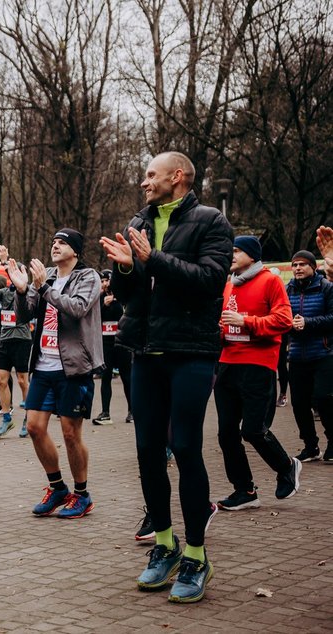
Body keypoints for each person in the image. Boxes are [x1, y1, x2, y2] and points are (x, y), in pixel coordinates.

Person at [101, 151, 232, 603]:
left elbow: (210, 280)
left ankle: (196, 555)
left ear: (177, 177)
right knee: (146, 451)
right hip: (145, 352)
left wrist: (152, 259)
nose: (144, 182)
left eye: (151, 175)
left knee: (187, 448)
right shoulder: (139, 221)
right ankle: (164, 545)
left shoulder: (211, 221)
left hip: (190, 352)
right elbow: (130, 297)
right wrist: (124, 269)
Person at [9, 228, 102, 519]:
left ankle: (82, 494)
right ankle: (57, 487)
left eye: (62, 243)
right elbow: (25, 315)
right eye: (53, 242)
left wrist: (45, 287)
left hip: (73, 368)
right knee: (35, 427)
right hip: (43, 366)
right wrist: (23, 290)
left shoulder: (88, 277)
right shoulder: (46, 274)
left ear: (75, 250)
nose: (55, 246)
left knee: (70, 434)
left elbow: (77, 308)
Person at [214, 236, 299, 510]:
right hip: (227, 364)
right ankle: (245, 490)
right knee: (226, 433)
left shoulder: (270, 280)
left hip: (258, 365)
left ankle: (287, 467)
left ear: (252, 254)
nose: (232, 255)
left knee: (252, 430)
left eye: (237, 251)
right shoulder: (229, 285)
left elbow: (284, 320)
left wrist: (245, 322)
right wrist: (220, 332)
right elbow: (226, 323)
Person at [285, 249, 333, 462]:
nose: (297, 268)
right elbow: (279, 316)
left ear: (313, 267)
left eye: (302, 264)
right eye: (294, 265)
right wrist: (289, 325)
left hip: (323, 353)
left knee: (324, 399)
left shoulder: (326, 288)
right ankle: (310, 446)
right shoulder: (287, 290)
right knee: (299, 403)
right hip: (296, 355)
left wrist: (308, 323)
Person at [0, 249, 32, 438]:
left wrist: (9, 262)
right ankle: (6, 418)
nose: (13, 276)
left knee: (22, 381)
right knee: (1, 379)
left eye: (16, 272)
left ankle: (29, 418)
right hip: (5, 340)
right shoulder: (4, 292)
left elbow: (24, 295)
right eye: (11, 273)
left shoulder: (26, 291)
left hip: (22, 340)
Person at [93, 270, 132, 424]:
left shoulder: (122, 297)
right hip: (106, 343)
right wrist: (104, 305)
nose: (104, 284)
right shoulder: (99, 298)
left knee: (127, 377)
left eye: (106, 280)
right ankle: (105, 412)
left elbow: (125, 316)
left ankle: (131, 411)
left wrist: (115, 303)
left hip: (122, 342)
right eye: (102, 281)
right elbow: (95, 318)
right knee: (105, 377)